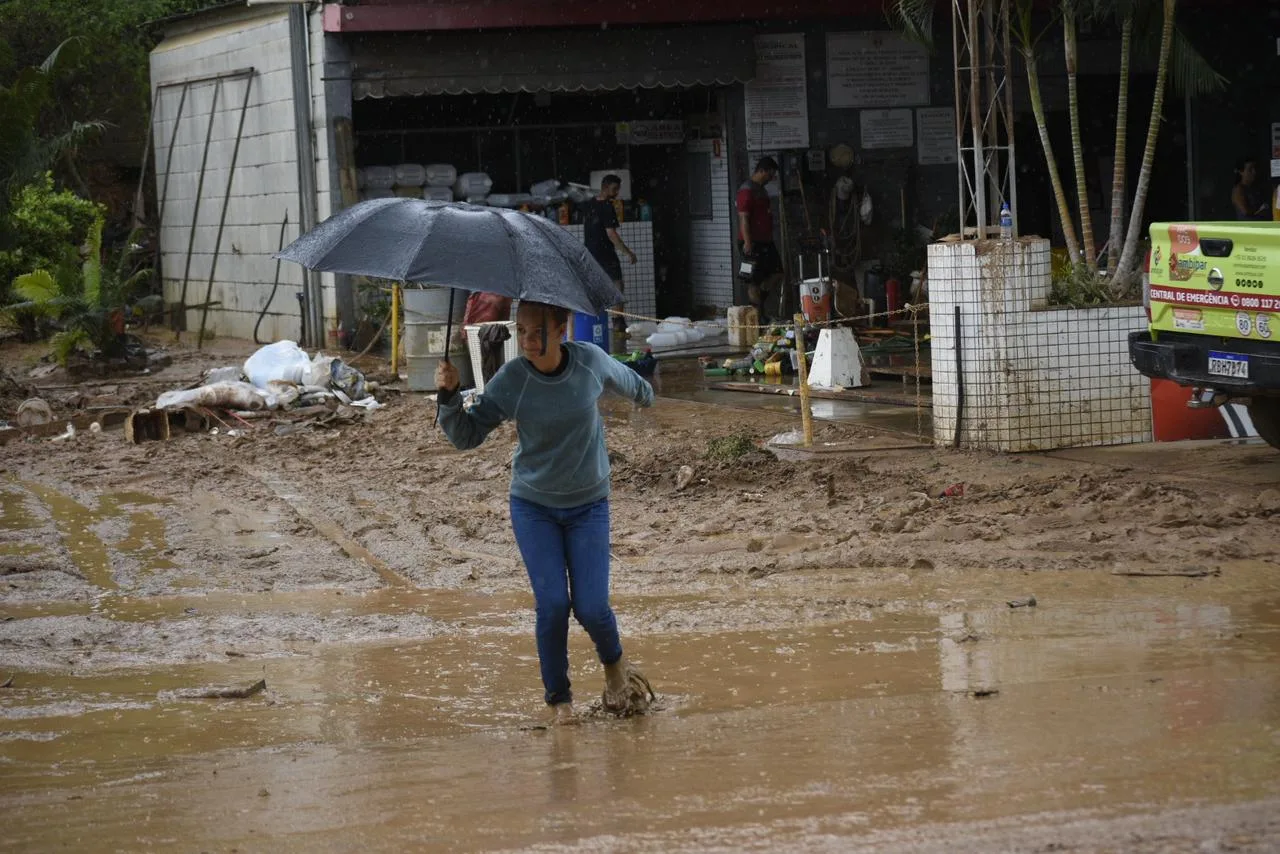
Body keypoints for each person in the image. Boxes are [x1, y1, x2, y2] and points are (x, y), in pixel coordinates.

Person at [434, 300, 656, 725]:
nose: (528, 341)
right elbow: (466, 436)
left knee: (592, 607)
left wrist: (646, 394)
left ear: (562, 328)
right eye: (522, 331)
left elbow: (634, 385)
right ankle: (560, 702)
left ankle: (616, 674)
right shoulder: (512, 379)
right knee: (552, 604)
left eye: (537, 331)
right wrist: (448, 396)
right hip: (533, 506)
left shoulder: (590, 362)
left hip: (589, 505)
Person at [583, 175, 636, 349]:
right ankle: (618, 320)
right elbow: (611, 234)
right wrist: (628, 252)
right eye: (614, 189)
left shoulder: (590, 204)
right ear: (605, 187)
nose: (616, 193)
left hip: (590, 252)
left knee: (596, 287)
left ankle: (598, 320)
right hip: (605, 253)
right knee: (617, 284)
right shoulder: (607, 207)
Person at [736, 156, 783, 320]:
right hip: (751, 242)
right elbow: (744, 217)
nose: (771, 178)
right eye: (770, 174)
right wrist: (748, 243)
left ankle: (759, 304)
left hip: (766, 242)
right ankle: (757, 317)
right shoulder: (747, 190)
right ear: (762, 170)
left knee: (777, 273)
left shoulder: (761, 189)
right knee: (753, 281)